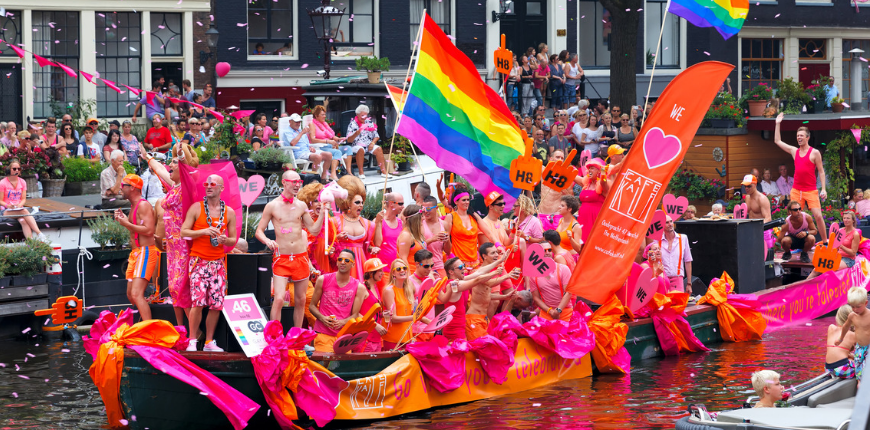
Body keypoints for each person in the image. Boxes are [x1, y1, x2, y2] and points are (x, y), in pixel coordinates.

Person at [256, 170, 328, 327]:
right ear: (284, 182)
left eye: (299, 182)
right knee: (279, 298)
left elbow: (314, 230)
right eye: (294, 182)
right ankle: (274, 337)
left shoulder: (301, 205)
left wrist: (322, 213)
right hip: (282, 258)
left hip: (300, 257)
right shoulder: (272, 205)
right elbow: (258, 231)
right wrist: (267, 240)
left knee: (301, 300)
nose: (297, 185)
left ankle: (296, 336)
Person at [142, 143, 199, 329]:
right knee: (174, 289)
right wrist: (147, 158)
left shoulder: (188, 185)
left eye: (174, 163)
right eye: (170, 163)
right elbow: (160, 168)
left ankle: (194, 330)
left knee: (182, 287)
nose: (170, 166)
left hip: (184, 244)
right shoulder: (174, 185)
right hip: (172, 246)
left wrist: (180, 151)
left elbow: (184, 164)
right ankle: (181, 329)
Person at [181, 175, 238, 352]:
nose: (208, 187)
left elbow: (233, 240)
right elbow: (184, 232)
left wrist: (224, 239)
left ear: (221, 188)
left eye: (213, 184)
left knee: (216, 304)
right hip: (198, 261)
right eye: (207, 184)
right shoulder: (196, 208)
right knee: (197, 302)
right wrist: (204, 231)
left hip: (218, 263)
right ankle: (192, 340)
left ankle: (209, 342)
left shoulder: (229, 212)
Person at [775, 113, 828, 243]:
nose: (799, 137)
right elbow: (777, 141)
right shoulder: (794, 151)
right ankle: (793, 241)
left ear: (807, 138)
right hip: (797, 190)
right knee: (795, 217)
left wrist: (824, 189)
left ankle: (825, 241)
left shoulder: (814, 152)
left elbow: (821, 171)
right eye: (797, 136)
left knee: (818, 216)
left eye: (801, 136)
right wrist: (777, 123)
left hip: (810, 190)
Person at [114, 174, 158, 322]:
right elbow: (136, 230)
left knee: (136, 294)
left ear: (132, 187)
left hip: (145, 252)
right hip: (136, 253)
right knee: (130, 294)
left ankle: (148, 329)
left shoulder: (143, 205)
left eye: (123, 186)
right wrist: (125, 220)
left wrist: (126, 224)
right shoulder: (133, 206)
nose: (120, 189)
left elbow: (149, 230)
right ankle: (143, 322)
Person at [309, 249, 366, 353]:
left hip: (344, 337)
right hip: (323, 334)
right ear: (337, 262)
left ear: (353, 264)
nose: (343, 262)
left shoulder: (359, 287)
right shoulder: (323, 279)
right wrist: (322, 318)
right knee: (323, 367)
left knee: (341, 367)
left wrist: (342, 322)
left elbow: (355, 315)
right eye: (340, 259)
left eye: (347, 260)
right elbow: (312, 306)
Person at [282, 113, 336, 183]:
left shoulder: (299, 130)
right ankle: (311, 179)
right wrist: (301, 133)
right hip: (297, 152)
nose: (298, 123)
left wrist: (310, 147)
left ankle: (323, 178)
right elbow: (292, 143)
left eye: (299, 122)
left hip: (307, 151)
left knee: (328, 155)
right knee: (317, 157)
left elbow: (306, 143)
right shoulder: (287, 131)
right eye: (296, 122)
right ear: (290, 121)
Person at [527, 242, 574, 322]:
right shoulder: (533, 274)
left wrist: (558, 310)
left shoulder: (563, 269)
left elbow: (568, 292)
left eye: (549, 250)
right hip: (546, 313)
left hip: (565, 312)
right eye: (544, 250)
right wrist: (550, 311)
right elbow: (536, 298)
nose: (547, 252)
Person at [297, 182, 336, 275]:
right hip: (306, 267)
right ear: (307, 203)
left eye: (321, 201)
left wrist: (332, 252)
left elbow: (334, 248)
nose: (320, 204)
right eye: (315, 201)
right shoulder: (300, 222)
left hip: (324, 266)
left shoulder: (328, 222)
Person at [0, 160, 44, 240]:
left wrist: (19, 205)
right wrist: (9, 206)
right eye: (14, 169)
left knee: (23, 221)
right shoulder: (2, 183)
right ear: (9, 170)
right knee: (24, 211)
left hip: (18, 209)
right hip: (6, 211)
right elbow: (0, 201)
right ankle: (39, 233)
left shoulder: (22, 182)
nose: (17, 170)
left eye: (18, 169)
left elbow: (23, 199)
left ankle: (30, 243)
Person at [381, 259, 419, 350]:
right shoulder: (389, 290)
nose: (402, 270)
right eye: (398, 269)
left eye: (404, 268)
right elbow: (393, 318)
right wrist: (415, 317)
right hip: (393, 340)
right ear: (393, 273)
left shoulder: (408, 289)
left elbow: (409, 313)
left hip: (407, 339)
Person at [346, 105, 390, 179]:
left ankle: (384, 172)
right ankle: (361, 173)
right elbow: (349, 140)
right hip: (356, 145)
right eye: (362, 115)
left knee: (379, 149)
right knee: (360, 149)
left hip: (368, 144)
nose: (364, 117)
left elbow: (376, 136)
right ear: (357, 115)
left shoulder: (369, 122)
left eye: (365, 115)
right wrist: (356, 133)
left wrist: (372, 143)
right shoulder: (352, 124)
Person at [444, 184, 482, 269]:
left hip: (475, 263)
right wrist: (452, 256)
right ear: (456, 202)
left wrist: (498, 245)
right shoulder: (450, 217)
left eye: (468, 200)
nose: (467, 202)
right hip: (458, 264)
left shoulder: (474, 215)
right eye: (464, 200)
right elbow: (445, 240)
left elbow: (488, 232)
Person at [836, 287, 870, 380]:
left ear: (866, 303)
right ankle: (859, 384)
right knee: (859, 372)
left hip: (868, 348)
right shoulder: (852, 315)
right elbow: (846, 326)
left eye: (858, 306)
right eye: (852, 306)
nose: (855, 309)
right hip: (859, 348)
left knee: (867, 370)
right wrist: (841, 338)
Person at [478, 242, 520, 317]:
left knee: (513, 296)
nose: (497, 255)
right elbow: (490, 283)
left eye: (497, 252)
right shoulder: (481, 271)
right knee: (494, 302)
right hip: (476, 315)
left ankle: (502, 323)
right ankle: (489, 326)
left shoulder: (498, 262)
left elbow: (509, 240)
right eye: (493, 253)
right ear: (484, 256)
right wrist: (507, 276)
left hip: (500, 267)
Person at [360, 258, 389, 352]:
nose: (383, 273)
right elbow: (355, 313)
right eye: (380, 271)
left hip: (376, 338)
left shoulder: (375, 286)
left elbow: (370, 310)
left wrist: (382, 315)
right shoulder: (362, 288)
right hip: (366, 339)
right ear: (371, 273)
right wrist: (375, 324)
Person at [574, 159, 607, 243]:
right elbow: (573, 176)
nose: (589, 170)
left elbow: (604, 182)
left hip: (595, 218)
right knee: (580, 242)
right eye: (588, 168)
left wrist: (603, 172)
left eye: (592, 168)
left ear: (599, 171)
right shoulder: (586, 184)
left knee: (594, 242)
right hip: (582, 217)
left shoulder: (602, 184)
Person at [743, 174, 774, 261]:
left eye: (749, 186)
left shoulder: (762, 199)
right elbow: (745, 214)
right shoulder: (747, 197)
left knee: (764, 259)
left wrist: (755, 226)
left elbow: (768, 218)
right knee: (750, 257)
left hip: (763, 231)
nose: (746, 188)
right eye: (745, 186)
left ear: (755, 185)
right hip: (752, 230)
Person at [659, 215, 693, 292]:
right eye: (667, 222)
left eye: (671, 221)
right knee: (663, 303)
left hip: (678, 278)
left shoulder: (683, 238)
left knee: (678, 303)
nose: (670, 224)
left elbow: (688, 260)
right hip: (663, 279)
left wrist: (689, 283)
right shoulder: (658, 240)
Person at [420, 195, 451, 278]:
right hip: (424, 268)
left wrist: (447, 240)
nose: (426, 211)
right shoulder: (420, 225)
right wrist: (432, 239)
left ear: (436, 208)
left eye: (429, 208)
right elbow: (417, 248)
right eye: (424, 209)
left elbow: (447, 251)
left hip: (440, 266)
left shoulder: (444, 224)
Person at [374, 192, 404, 270]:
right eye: (400, 204)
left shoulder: (401, 223)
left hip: (399, 268)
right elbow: (377, 244)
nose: (403, 206)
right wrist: (378, 223)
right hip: (384, 269)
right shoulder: (378, 221)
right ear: (391, 204)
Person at [827, 305, 857, 379]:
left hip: (828, 369)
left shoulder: (830, 327)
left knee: (850, 359)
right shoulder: (853, 334)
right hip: (841, 369)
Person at [396, 204, 426, 275]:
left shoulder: (416, 234)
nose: (424, 218)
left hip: (420, 274)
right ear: (416, 218)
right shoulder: (406, 235)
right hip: (412, 274)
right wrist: (410, 279)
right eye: (422, 216)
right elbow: (403, 259)